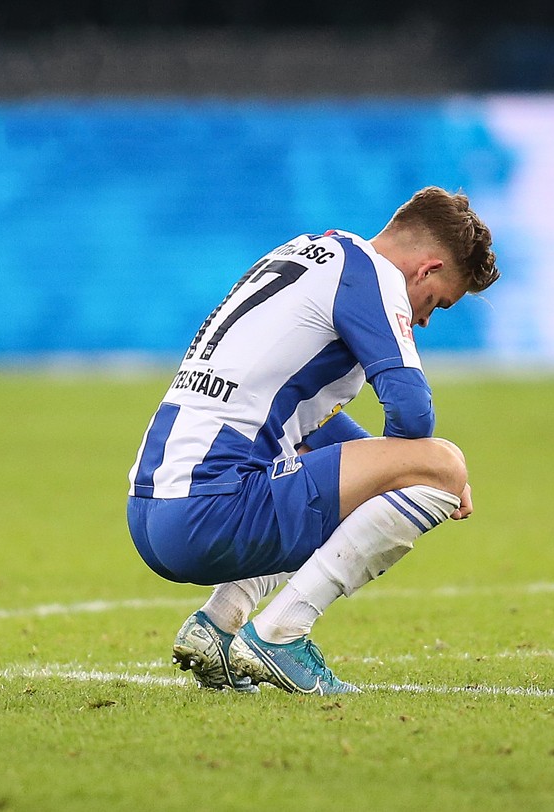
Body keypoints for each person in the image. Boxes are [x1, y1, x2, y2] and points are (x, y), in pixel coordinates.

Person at [126, 187, 498, 695]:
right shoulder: (372, 277)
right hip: (207, 511)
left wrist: (396, 470)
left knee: (406, 466)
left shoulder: (312, 250)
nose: (426, 319)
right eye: (437, 302)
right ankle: (281, 634)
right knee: (447, 465)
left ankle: (219, 624)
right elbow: (413, 413)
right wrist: (421, 469)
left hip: (152, 508)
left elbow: (305, 425)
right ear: (426, 270)